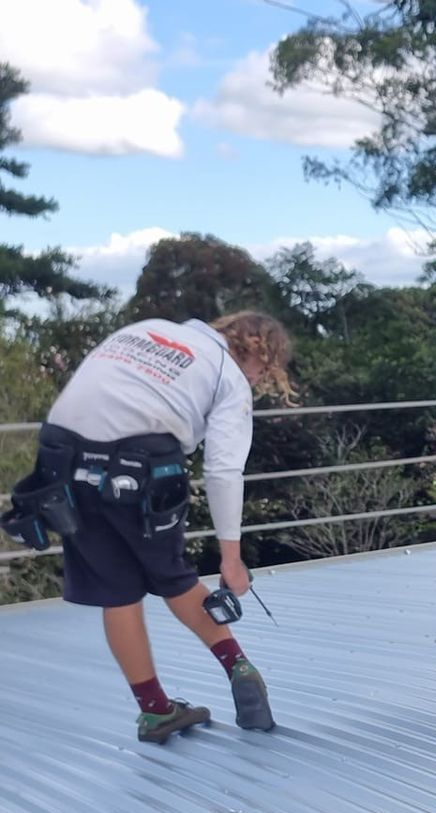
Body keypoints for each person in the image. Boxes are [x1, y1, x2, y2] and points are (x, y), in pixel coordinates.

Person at [3, 312, 292, 743]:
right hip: (140, 463)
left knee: (116, 591)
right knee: (173, 576)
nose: (258, 381)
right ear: (259, 356)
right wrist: (231, 559)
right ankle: (239, 667)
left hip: (62, 458)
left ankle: (155, 712)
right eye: (263, 373)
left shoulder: (149, 330)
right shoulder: (228, 376)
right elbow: (224, 469)